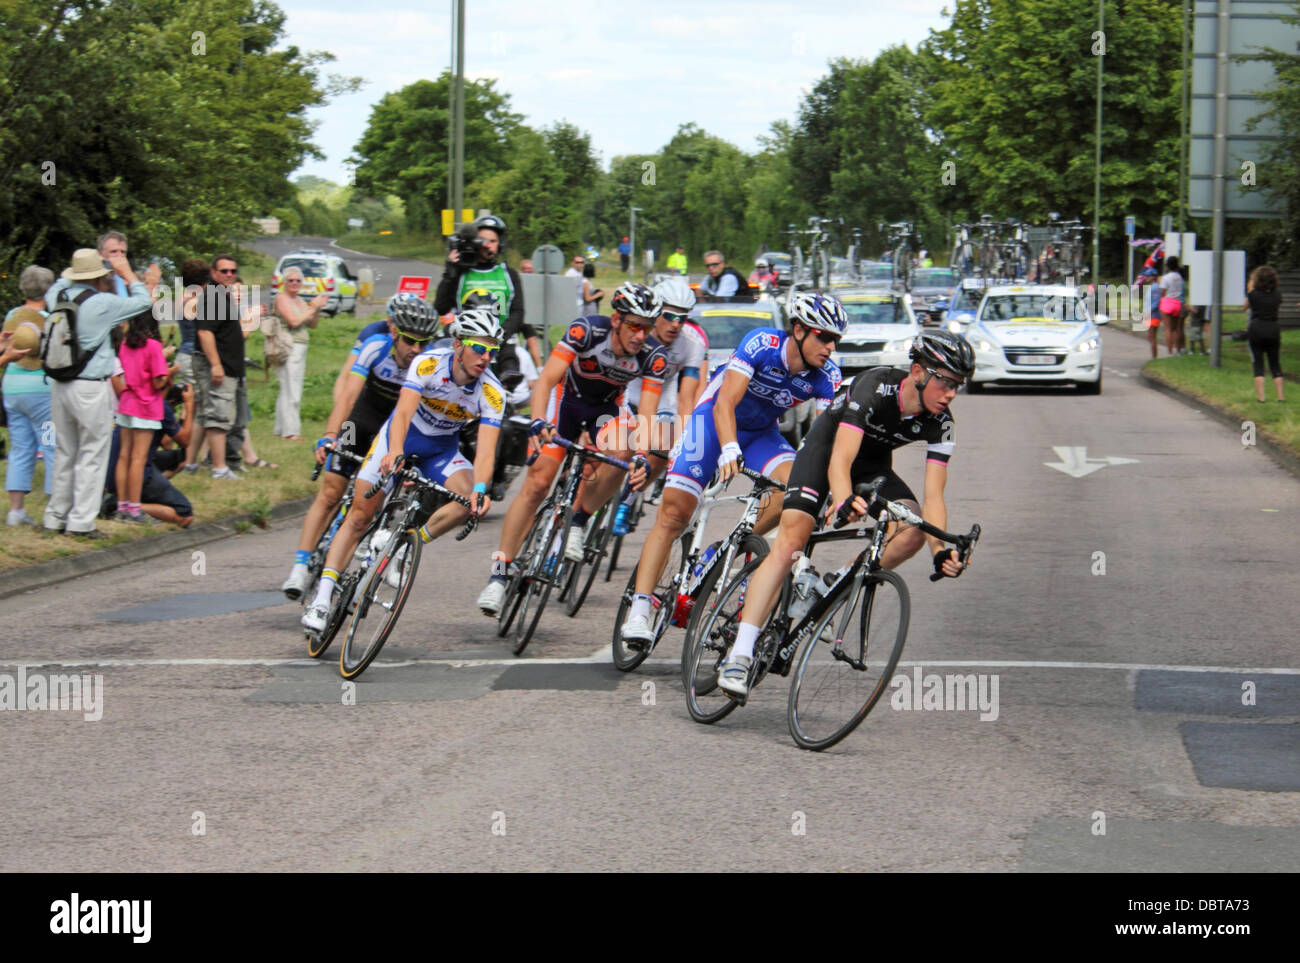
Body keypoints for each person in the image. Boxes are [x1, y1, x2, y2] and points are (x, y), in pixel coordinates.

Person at [710, 331, 975, 698]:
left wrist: (939, 550)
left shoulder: (942, 422)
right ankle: (739, 654)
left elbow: (933, 496)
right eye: (944, 382)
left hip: (871, 467)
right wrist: (845, 498)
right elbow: (840, 460)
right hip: (825, 453)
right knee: (790, 545)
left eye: (956, 386)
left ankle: (833, 581)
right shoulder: (875, 387)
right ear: (918, 372)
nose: (950, 394)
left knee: (911, 527)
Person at [619, 291, 845, 646]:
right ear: (799, 330)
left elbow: (822, 439)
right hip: (712, 423)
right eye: (824, 337)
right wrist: (727, 448)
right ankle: (640, 609)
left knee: (795, 490)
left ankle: (728, 548)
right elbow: (725, 400)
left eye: (836, 340)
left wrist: (832, 488)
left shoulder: (827, 375)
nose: (831, 347)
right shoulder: (762, 344)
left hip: (761, 435)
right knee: (674, 514)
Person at [302, 309, 504, 631]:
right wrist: (394, 451)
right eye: (479, 348)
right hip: (401, 436)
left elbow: (486, 451)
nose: (486, 357)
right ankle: (322, 600)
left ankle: (405, 548)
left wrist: (480, 489)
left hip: (440, 449)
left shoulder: (492, 393)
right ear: (458, 345)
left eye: (493, 350)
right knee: (359, 516)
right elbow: (403, 413)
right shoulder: (427, 364)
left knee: (468, 500)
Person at [475, 282, 667, 616]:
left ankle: (578, 520)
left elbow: (647, 413)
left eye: (647, 328)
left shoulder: (653, 356)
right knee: (537, 483)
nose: (640, 335)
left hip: (605, 410)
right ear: (617, 320)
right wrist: (537, 421)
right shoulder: (587, 331)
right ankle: (499, 575)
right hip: (564, 403)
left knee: (624, 450)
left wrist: (641, 455)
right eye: (634, 325)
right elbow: (547, 379)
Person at [281, 296, 433, 599]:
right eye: (409, 341)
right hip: (359, 423)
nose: (416, 349)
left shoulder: (427, 365)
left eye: (423, 343)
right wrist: (329, 434)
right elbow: (349, 396)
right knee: (330, 493)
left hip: (389, 433)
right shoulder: (375, 348)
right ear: (394, 335)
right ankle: (299, 566)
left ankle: (339, 569)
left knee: (368, 509)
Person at [42, 249, 152, 538]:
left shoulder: (58, 298)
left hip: (61, 382)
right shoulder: (102, 302)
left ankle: (55, 515)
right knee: (92, 453)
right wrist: (128, 275)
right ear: (100, 277)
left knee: (66, 451)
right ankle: (81, 521)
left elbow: (56, 285)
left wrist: (71, 273)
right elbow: (143, 302)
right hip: (90, 386)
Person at [610, 278, 705, 534]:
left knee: (666, 444)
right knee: (620, 447)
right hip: (627, 392)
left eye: (682, 318)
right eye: (669, 315)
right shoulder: (636, 332)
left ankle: (628, 499)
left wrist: (684, 439)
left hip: (662, 400)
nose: (675, 324)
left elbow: (687, 398)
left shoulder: (693, 344)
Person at [433, 214, 540, 378]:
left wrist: (497, 336)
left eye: (492, 241)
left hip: (500, 338)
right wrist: (450, 273)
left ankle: (509, 377)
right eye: (482, 240)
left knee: (510, 357)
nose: (487, 245)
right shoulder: (462, 272)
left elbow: (518, 312)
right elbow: (441, 308)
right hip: (466, 338)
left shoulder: (508, 274)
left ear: (500, 244)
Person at [193, 254, 265, 479]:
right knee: (218, 418)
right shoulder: (214, 296)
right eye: (224, 271)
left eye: (233, 271)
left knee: (208, 415)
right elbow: (205, 332)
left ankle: (189, 463)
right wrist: (216, 365)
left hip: (229, 366)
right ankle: (219, 467)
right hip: (220, 367)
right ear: (213, 273)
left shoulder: (221, 296)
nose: (229, 275)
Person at [114, 308, 178, 522]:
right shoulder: (153, 346)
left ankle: (121, 506)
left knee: (124, 455)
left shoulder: (124, 344)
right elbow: (158, 380)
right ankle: (134, 509)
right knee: (138, 459)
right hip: (146, 405)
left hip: (127, 402)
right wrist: (169, 372)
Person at [3, 265, 56, 526]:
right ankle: (54, 509)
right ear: (49, 288)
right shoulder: (50, 318)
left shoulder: (13, 315)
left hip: (12, 387)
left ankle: (16, 511)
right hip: (41, 393)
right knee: (50, 443)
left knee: (20, 447)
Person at [102, 383, 195, 528]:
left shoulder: (129, 396)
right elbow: (185, 441)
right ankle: (122, 507)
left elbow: (167, 443)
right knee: (185, 514)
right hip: (139, 471)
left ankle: (125, 501)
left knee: (178, 458)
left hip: (113, 471)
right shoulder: (158, 404)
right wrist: (189, 405)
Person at [271, 266, 328, 440]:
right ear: (284, 282)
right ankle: (291, 432)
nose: (295, 283)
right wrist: (313, 308)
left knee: (288, 388)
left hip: (300, 346)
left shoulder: (301, 301)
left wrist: (316, 309)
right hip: (289, 346)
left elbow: (312, 324)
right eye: (291, 280)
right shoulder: (281, 298)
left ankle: (281, 428)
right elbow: (294, 321)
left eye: (298, 281)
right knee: (292, 389)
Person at [1245, 265, 1284, 403]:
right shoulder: (1278, 295)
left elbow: (1245, 305)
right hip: (1273, 329)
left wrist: (1251, 282)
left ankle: (1261, 398)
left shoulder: (1253, 295)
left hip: (1256, 328)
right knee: (1275, 363)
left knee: (1258, 362)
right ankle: (1280, 397)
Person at [1158, 255, 1185, 356]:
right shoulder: (1180, 277)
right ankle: (1178, 350)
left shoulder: (1165, 278)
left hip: (1167, 302)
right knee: (1176, 328)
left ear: (1167, 266)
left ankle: (1169, 351)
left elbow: (1163, 292)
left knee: (1168, 329)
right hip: (1177, 302)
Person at [97, 231, 129, 297]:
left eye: (123, 252)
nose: (119, 256)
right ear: (100, 254)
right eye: (113, 251)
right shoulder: (95, 279)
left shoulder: (127, 279)